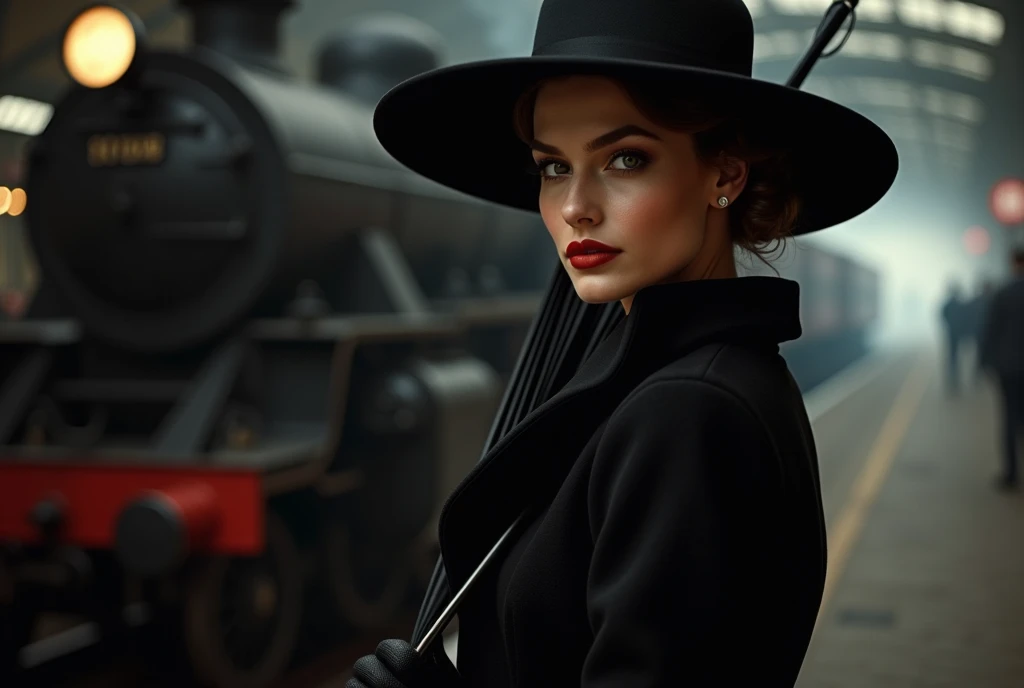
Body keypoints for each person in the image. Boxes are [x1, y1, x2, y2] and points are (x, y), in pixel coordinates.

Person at [350, 0, 897, 685]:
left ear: (725, 175)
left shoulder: (688, 411)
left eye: (625, 158)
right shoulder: (689, 379)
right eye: (553, 166)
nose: (576, 204)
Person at [979, 249, 1024, 490]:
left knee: (1009, 419)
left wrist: (984, 363)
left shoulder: (1002, 293)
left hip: (1008, 368)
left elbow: (989, 331)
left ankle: (1011, 474)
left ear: (1012, 263)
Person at [940, 282, 967, 395]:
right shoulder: (959, 304)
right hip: (955, 333)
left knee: (952, 356)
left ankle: (952, 378)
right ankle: (953, 378)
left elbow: (943, 316)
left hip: (951, 333)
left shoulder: (948, 304)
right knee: (954, 356)